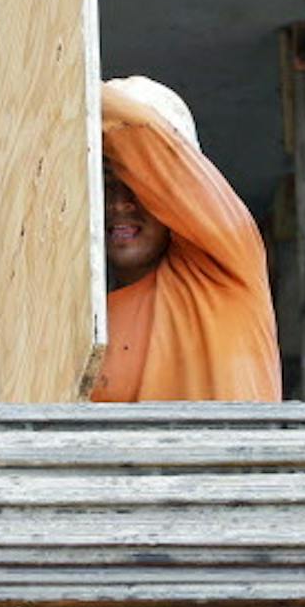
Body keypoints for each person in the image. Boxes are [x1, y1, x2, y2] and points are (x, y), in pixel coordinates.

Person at [89, 76, 280, 402]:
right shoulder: (87, 329)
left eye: (138, 182)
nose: (119, 203)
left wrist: (36, 71)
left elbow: (137, 130)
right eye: (106, 181)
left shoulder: (227, 260)